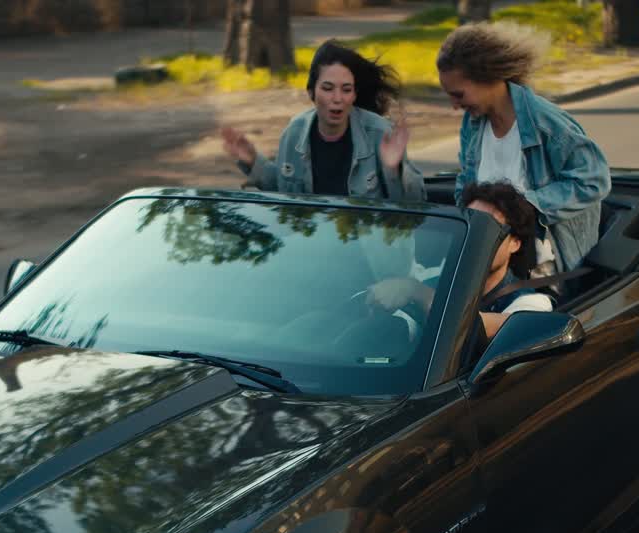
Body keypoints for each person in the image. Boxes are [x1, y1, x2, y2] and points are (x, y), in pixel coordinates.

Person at [436, 22, 610, 283]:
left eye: (458, 94)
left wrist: (527, 205)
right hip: (488, 263)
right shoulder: (472, 124)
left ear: (489, 76)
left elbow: (594, 180)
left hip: (540, 271)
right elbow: (466, 181)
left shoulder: (545, 122)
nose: (454, 105)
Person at [220, 41, 425, 201]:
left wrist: (394, 169)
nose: (337, 98)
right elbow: (285, 193)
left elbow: (416, 205)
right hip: (313, 246)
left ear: (354, 95)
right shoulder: (294, 133)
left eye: (346, 89)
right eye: (327, 88)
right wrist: (254, 161)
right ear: (312, 92)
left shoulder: (379, 133)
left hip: (368, 250)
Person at [369, 181, 552, 340]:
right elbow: (405, 326)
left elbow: (485, 331)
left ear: (515, 243)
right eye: (469, 227)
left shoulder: (532, 303)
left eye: (487, 231)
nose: (474, 238)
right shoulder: (435, 282)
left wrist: (415, 291)